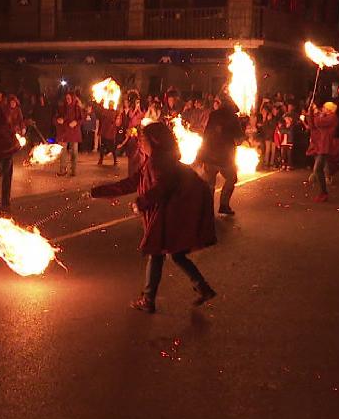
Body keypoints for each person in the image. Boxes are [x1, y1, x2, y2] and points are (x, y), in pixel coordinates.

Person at [90, 122, 217, 313]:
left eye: (143, 140)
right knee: (176, 254)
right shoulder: (156, 159)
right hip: (169, 214)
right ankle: (203, 288)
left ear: (154, 142)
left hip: (167, 215)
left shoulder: (159, 161)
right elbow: (133, 182)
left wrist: (141, 202)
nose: (140, 144)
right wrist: (97, 192)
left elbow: (163, 186)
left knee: (156, 252)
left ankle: (148, 299)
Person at [199, 96, 243, 215]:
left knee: (210, 183)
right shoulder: (233, 118)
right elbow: (239, 140)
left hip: (210, 155)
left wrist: (201, 155)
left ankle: (207, 209)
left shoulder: (213, 115)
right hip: (225, 158)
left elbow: (206, 135)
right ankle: (224, 205)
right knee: (231, 178)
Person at [306, 102, 339, 203]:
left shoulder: (332, 118)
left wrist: (316, 112)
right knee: (318, 169)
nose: (322, 109)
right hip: (320, 146)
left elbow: (318, 123)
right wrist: (310, 112)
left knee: (317, 169)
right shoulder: (324, 117)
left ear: (329, 110)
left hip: (325, 146)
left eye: (324, 108)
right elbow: (312, 125)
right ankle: (323, 192)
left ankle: (323, 192)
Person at [55, 91, 83, 177]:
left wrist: (76, 122)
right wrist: (59, 120)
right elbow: (56, 117)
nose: (67, 100)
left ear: (72, 98)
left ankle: (73, 170)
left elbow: (82, 119)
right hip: (64, 133)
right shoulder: (62, 107)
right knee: (63, 152)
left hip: (74, 133)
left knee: (74, 152)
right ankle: (63, 170)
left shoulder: (77, 107)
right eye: (66, 98)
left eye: (69, 98)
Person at [96, 101, 120, 166]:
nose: (110, 106)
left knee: (113, 148)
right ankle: (101, 160)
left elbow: (117, 122)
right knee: (102, 147)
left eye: (111, 105)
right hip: (104, 132)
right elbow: (101, 117)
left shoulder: (115, 112)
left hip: (111, 133)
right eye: (110, 105)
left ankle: (115, 160)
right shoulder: (105, 111)